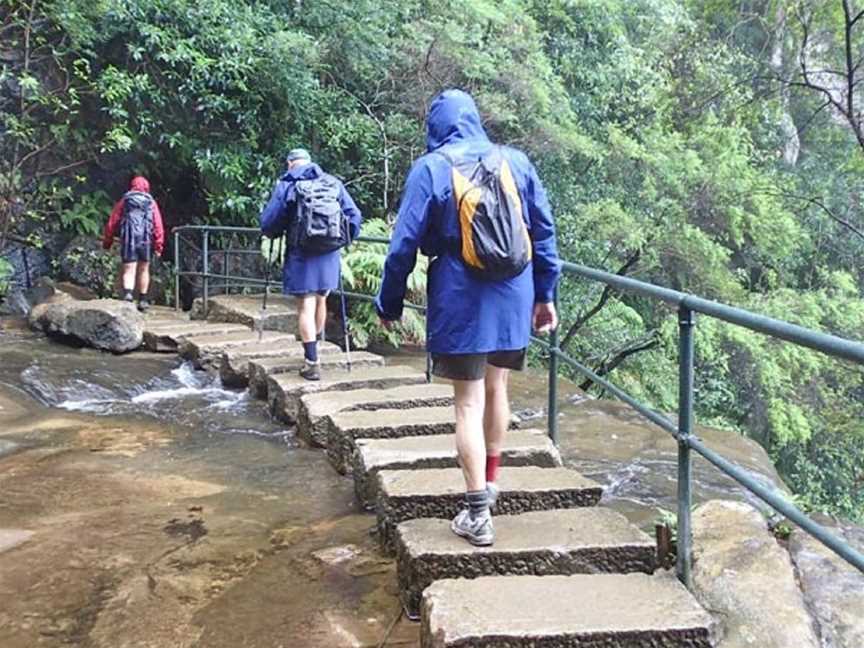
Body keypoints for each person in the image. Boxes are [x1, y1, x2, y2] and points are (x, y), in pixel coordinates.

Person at [375, 90, 561, 546]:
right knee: (497, 388)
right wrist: (546, 294)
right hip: (514, 290)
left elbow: (403, 246)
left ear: (435, 126)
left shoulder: (432, 168)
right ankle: (491, 482)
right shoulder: (515, 161)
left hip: (460, 291)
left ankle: (477, 512)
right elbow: (544, 232)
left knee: (467, 402)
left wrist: (390, 303)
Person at [260, 148, 362, 381]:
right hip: (329, 253)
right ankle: (314, 347)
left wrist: (274, 231)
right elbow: (355, 216)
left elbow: (269, 222)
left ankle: (312, 361)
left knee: (305, 305)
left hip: (302, 252)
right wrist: (342, 239)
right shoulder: (332, 182)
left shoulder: (288, 184)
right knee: (321, 298)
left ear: (290, 164)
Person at [102, 175, 165, 312]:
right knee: (144, 269)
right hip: (146, 239)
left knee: (129, 269)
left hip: (129, 238)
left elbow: (112, 223)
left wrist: (107, 242)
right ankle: (142, 300)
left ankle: (129, 296)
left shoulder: (125, 201)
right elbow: (158, 225)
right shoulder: (151, 203)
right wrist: (159, 246)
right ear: (146, 188)